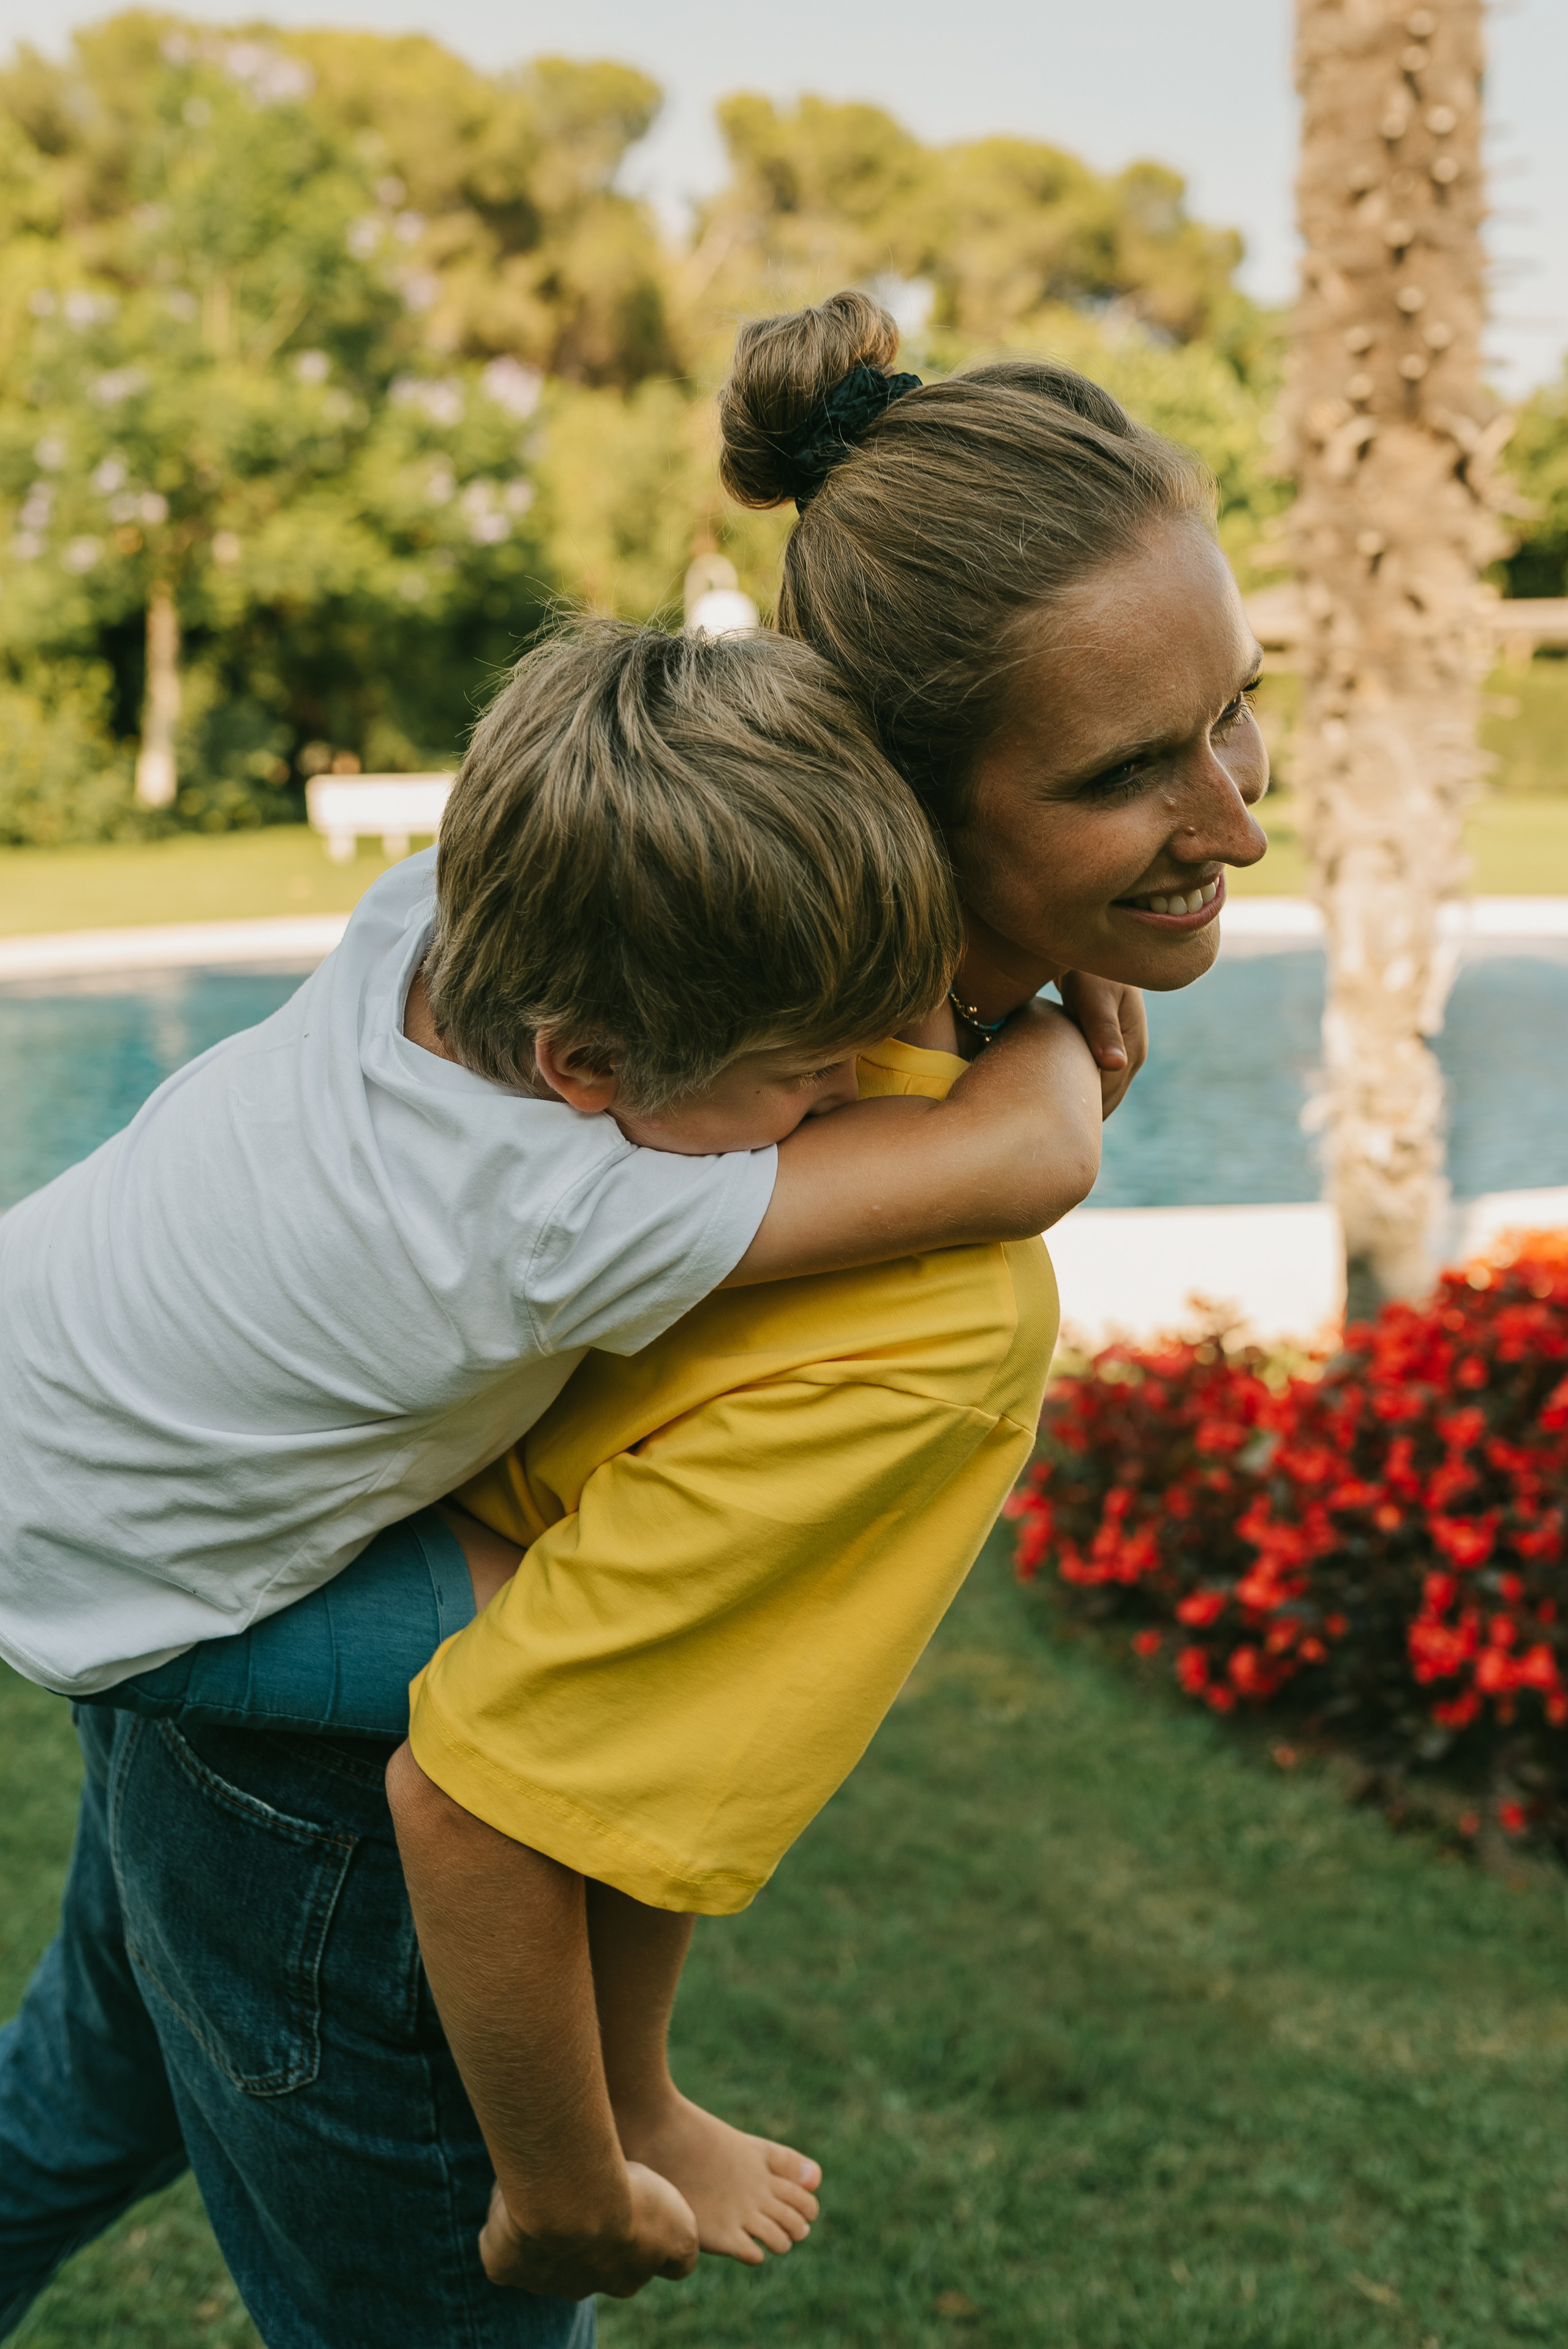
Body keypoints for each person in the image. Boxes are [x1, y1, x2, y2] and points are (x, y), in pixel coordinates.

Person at [0, 290, 1269, 2348]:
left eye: (1236, 709)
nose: (1237, 818)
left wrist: (1052, 951)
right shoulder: (699, 1191)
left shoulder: (570, 898)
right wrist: (570, 2171)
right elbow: (515, 1786)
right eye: (1133, 769)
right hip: (244, 1701)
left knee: (67, 2108)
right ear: (910, 788)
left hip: (95, 1500)